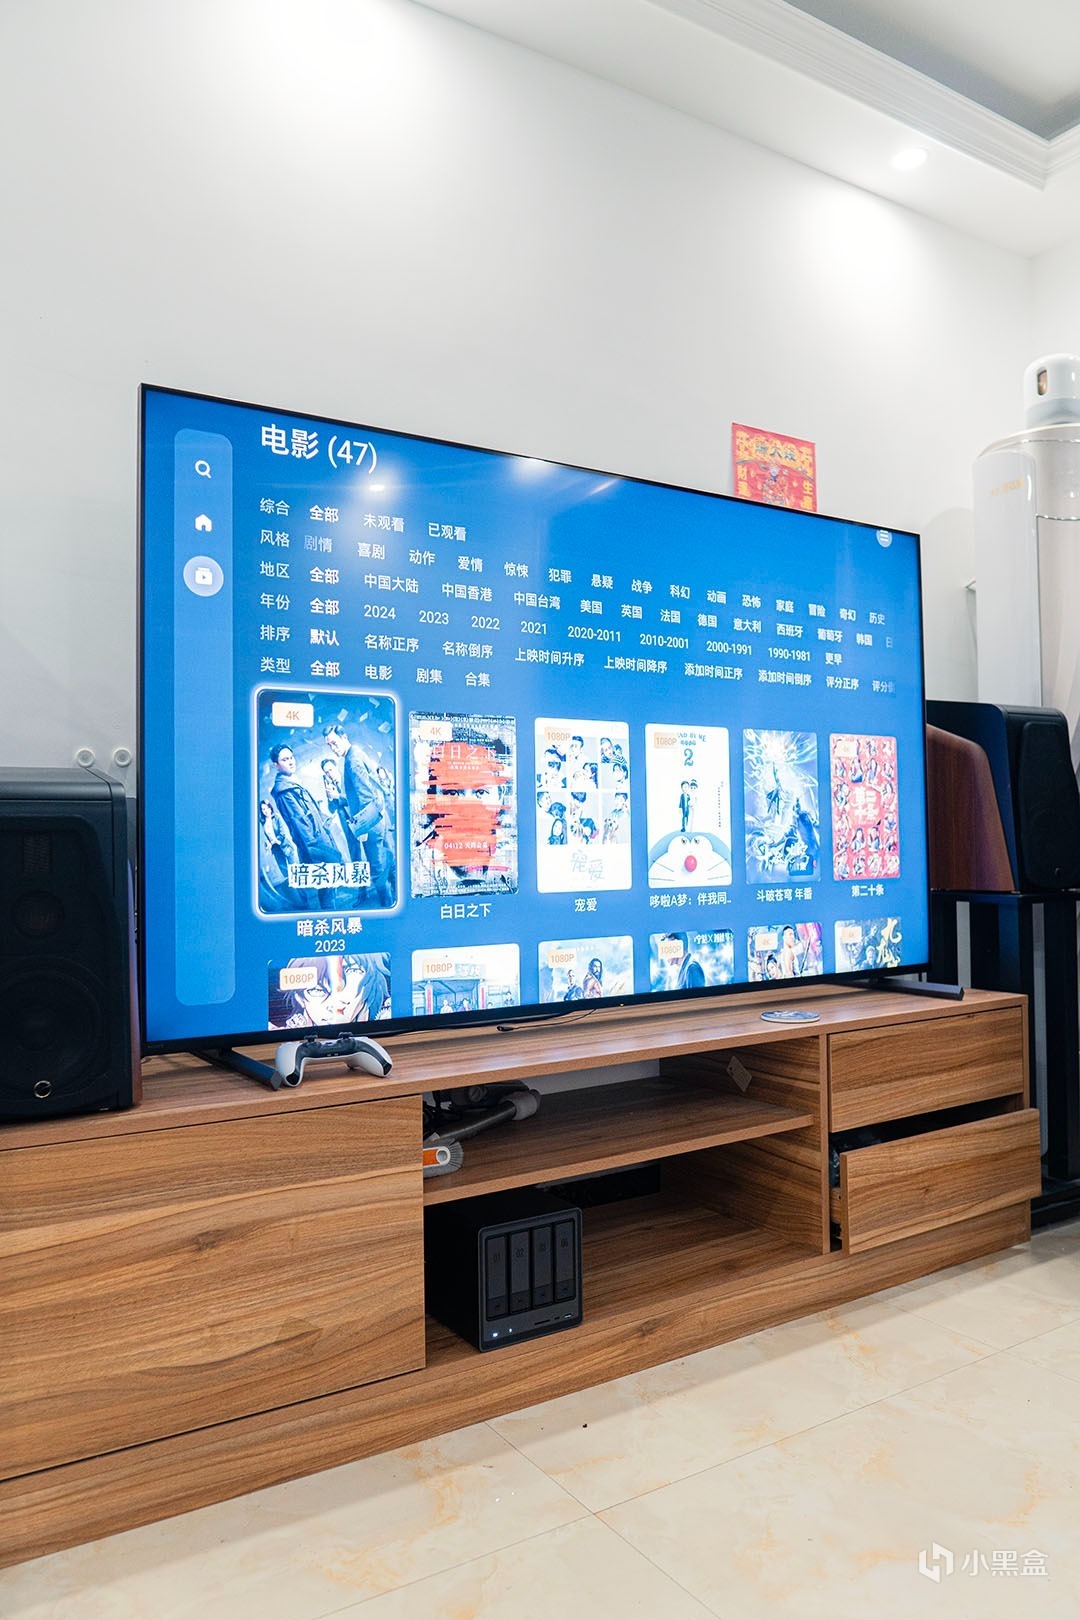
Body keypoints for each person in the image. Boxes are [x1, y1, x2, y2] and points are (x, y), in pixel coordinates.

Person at [323, 722, 396, 907]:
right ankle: (395, 896)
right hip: (377, 819)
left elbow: (365, 797)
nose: (333, 748)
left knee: (377, 871)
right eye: (329, 745)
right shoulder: (356, 753)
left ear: (344, 737)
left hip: (369, 824)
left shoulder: (352, 761)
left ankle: (387, 906)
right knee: (388, 859)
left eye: (334, 743)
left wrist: (362, 827)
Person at [269, 744, 341, 909]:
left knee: (329, 888)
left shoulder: (291, 784)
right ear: (276, 765)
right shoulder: (285, 792)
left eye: (291, 757)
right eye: (285, 759)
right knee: (326, 890)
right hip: (315, 847)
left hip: (319, 842)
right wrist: (320, 853)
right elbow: (300, 826)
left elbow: (310, 815)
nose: (290, 761)